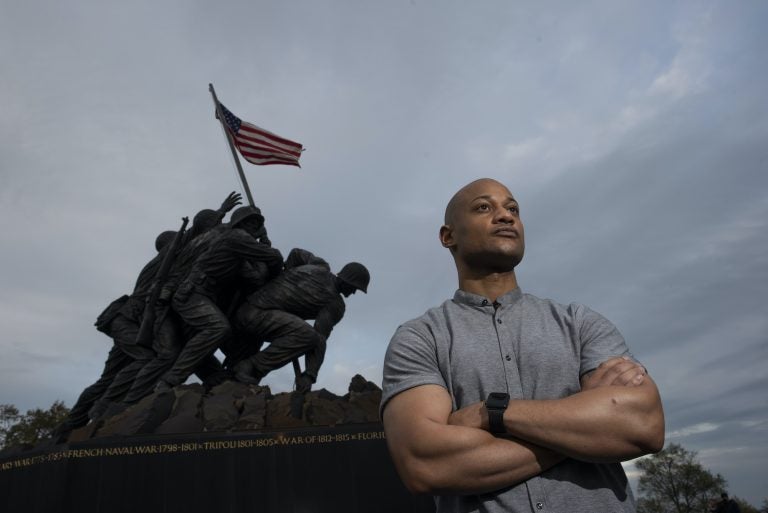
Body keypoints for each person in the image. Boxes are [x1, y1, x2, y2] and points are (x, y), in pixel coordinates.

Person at [381, 178, 665, 512]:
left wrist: (493, 412)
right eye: (484, 207)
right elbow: (424, 464)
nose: (505, 216)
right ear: (448, 236)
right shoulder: (419, 338)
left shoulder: (580, 323)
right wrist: (584, 428)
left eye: (512, 208)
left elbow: (643, 426)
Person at [233, 248, 369, 393]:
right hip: (256, 317)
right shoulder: (335, 304)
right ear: (346, 280)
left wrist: (287, 277)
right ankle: (251, 366)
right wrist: (310, 375)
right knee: (307, 335)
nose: (353, 292)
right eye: (354, 288)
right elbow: (319, 338)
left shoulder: (319, 265)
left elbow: (295, 253)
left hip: (249, 310)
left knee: (301, 332)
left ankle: (245, 377)